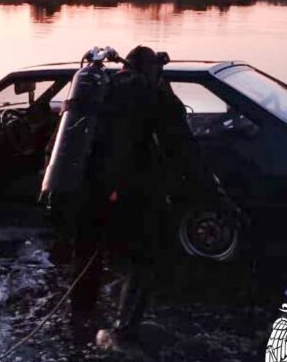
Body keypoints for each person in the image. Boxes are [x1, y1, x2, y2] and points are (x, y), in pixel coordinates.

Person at [69, 45, 238, 346]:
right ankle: (122, 333)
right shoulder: (154, 95)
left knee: (87, 258)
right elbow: (184, 150)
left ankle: (79, 325)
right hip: (130, 195)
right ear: (152, 71)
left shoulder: (101, 89)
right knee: (143, 259)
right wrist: (216, 197)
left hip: (85, 191)